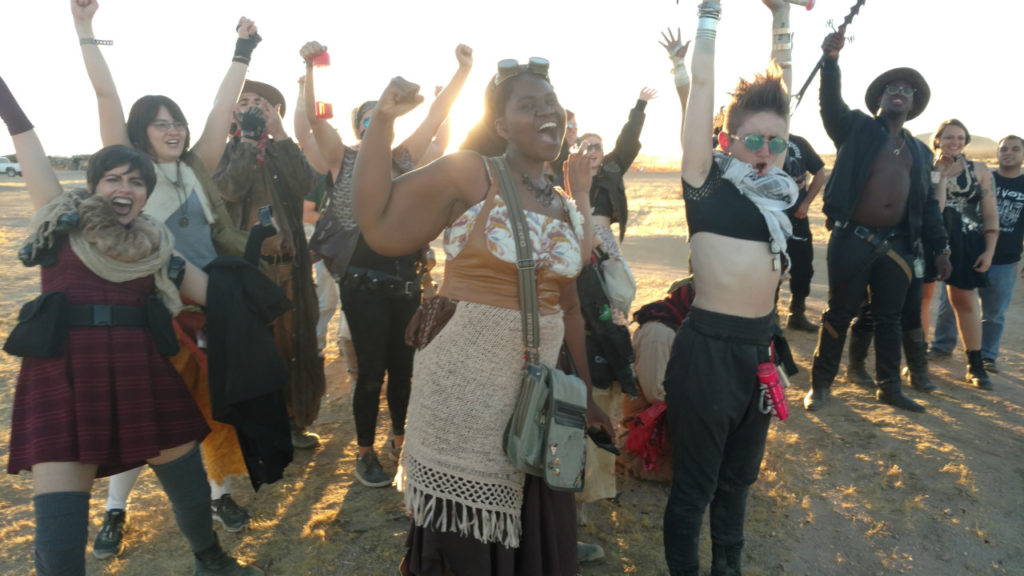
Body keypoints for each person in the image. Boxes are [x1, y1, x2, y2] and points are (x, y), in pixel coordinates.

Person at [351, 57, 613, 575]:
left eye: (551, 102)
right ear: (501, 125)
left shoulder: (564, 205)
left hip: (536, 398)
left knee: (533, 524)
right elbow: (377, 224)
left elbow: (569, 304)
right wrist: (382, 121)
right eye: (528, 105)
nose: (547, 112)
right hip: (465, 392)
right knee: (467, 535)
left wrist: (585, 392)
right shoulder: (472, 173)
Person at [1, 74, 261, 575]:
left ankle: (210, 560)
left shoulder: (157, 249)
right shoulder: (60, 221)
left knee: (189, 489)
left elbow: (218, 296)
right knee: (59, 535)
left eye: (136, 182)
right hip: (65, 379)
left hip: (140, 372)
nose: (125, 188)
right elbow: (25, 139)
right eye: (114, 179)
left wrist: (259, 276)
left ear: (145, 194)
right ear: (95, 186)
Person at [72, 0, 259, 554]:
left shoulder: (196, 166)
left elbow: (221, 111)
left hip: (207, 307)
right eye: (161, 122)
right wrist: (85, 29)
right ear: (140, 132)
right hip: (152, 313)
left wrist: (242, 51)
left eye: (177, 121)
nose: (174, 129)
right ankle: (115, 509)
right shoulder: (133, 171)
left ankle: (219, 493)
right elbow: (106, 98)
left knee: (217, 407)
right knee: (143, 416)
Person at [663, 2, 799, 574]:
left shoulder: (778, 196)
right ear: (727, 139)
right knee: (694, 487)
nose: (766, 152)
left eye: (777, 143)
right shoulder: (705, 183)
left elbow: (783, 87)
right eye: (753, 141)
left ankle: (729, 567)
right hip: (708, 354)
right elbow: (702, 89)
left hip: (758, 351)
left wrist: (782, 16)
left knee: (739, 481)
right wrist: (709, 16)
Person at [300, 41, 473, 487]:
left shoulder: (404, 158)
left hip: (405, 282)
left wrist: (462, 72)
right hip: (362, 286)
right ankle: (364, 452)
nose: (373, 121)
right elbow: (316, 121)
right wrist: (309, 70)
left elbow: (436, 115)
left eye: (379, 115)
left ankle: (401, 442)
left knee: (404, 371)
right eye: (366, 117)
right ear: (361, 126)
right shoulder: (344, 160)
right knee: (370, 373)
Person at [802, 27, 951, 413]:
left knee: (889, 318)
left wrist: (940, 248)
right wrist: (831, 63)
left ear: (913, 103)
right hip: (851, 237)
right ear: (880, 98)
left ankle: (889, 387)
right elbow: (829, 105)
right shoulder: (855, 128)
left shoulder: (920, 152)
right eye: (891, 88)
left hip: (898, 244)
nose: (899, 92)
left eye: (907, 90)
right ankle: (820, 386)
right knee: (839, 312)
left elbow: (927, 206)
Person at [212, 80, 325, 447]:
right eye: (244, 101)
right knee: (254, 349)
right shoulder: (222, 153)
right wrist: (247, 141)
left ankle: (293, 420)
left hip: (290, 267)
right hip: (249, 270)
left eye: (261, 102)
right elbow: (230, 189)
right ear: (232, 113)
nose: (252, 106)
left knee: (294, 346)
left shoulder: (282, 151)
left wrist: (281, 135)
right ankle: (258, 429)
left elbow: (306, 184)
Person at [930, 135, 1024, 372]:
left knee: (993, 312)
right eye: (1004, 149)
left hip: (1005, 257)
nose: (1008, 153)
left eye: (1015, 149)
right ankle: (942, 345)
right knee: (950, 305)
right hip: (969, 250)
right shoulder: (983, 176)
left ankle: (987, 356)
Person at [918, 119, 999, 389]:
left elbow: (990, 212)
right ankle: (918, 360)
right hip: (931, 239)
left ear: (966, 141)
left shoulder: (979, 170)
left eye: (960, 138)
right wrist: (940, 174)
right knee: (922, 298)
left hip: (966, 241)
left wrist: (989, 251)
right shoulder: (927, 169)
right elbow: (937, 207)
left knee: (964, 301)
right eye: (949, 137)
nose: (955, 142)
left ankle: (975, 365)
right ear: (937, 140)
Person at [621, 278, 696, 484]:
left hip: (668, 398)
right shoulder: (659, 333)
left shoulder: (681, 323)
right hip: (649, 410)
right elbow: (655, 392)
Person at [781, 134, 826, 331]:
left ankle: (797, 314)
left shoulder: (798, 142)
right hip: (769, 217)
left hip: (797, 217)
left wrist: (806, 203)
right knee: (771, 266)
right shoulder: (760, 138)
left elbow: (820, 172)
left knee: (803, 267)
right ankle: (769, 315)